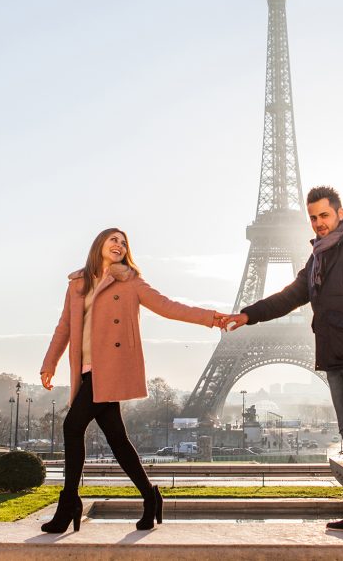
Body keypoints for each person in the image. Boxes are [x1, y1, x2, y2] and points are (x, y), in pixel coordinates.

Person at [220, 186, 343, 539]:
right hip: (333, 356)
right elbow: (289, 296)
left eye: (324, 215)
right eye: (313, 217)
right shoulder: (318, 259)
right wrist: (248, 315)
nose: (318, 222)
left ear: (340, 213)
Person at [40, 227, 227, 533]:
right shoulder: (78, 284)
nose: (119, 245)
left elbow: (168, 306)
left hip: (109, 368)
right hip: (85, 369)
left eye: (124, 242)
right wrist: (50, 362)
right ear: (100, 244)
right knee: (117, 440)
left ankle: (69, 502)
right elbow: (65, 326)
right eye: (114, 239)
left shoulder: (130, 282)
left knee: (72, 427)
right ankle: (150, 496)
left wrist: (211, 317)